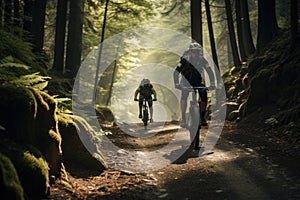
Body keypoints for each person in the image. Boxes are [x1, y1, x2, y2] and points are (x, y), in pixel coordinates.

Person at [173, 42, 215, 128]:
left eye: (197, 52)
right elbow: (176, 72)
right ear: (190, 51)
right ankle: (184, 118)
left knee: (204, 96)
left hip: (198, 81)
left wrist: (212, 84)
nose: (195, 54)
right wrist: (177, 83)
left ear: (199, 52)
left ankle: (203, 118)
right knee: (184, 96)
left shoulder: (202, 60)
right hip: (185, 81)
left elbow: (210, 72)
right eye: (193, 51)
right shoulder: (184, 60)